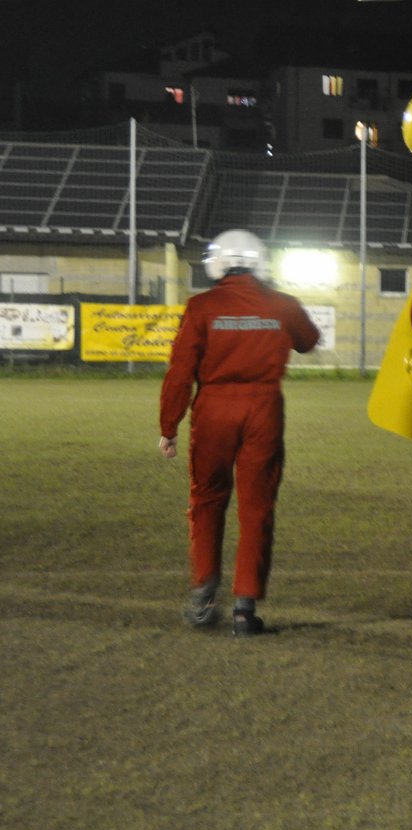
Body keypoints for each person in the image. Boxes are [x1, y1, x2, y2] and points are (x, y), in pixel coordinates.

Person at [159, 229, 320, 636]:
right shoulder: (282, 304)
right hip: (264, 409)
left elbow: (180, 372)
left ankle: (204, 593)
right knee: (256, 508)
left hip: (213, 409)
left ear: (218, 263)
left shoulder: (201, 306)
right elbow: (309, 341)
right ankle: (245, 609)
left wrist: (169, 426)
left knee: (207, 501)